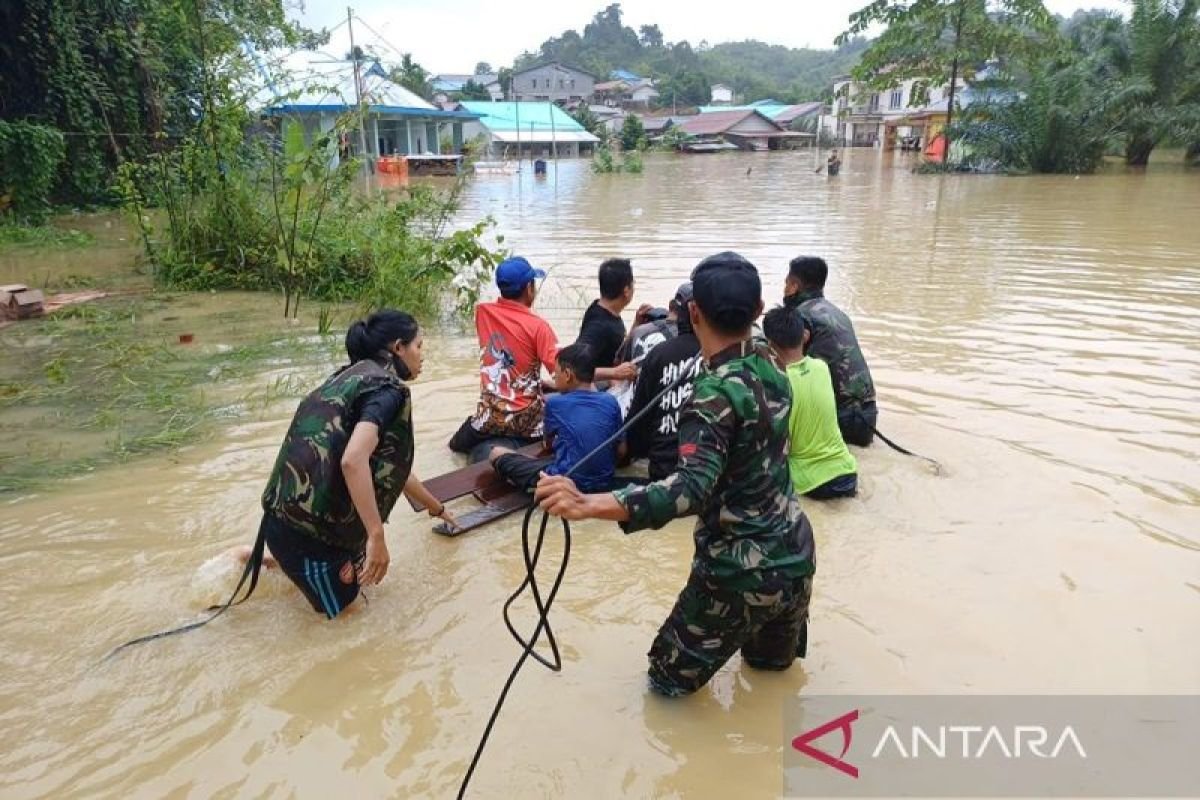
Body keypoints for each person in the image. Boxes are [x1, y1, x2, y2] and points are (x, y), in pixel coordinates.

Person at [536, 252, 816, 697]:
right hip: (796, 557)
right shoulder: (772, 359)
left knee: (665, 688)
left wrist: (589, 504)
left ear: (692, 312)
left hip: (738, 573)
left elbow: (690, 489)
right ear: (760, 312)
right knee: (768, 683)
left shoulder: (712, 396)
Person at [259, 311, 457, 618]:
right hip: (309, 538)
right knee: (351, 625)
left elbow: (393, 471)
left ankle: (259, 562)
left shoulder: (348, 378)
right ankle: (260, 562)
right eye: (419, 346)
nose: (422, 356)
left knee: (363, 587)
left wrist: (438, 509)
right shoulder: (388, 391)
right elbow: (354, 461)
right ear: (398, 348)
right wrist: (377, 536)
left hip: (289, 522)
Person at [449, 256, 559, 463]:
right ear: (529, 288)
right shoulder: (539, 326)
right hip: (526, 420)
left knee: (454, 447)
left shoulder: (482, 312)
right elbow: (563, 372)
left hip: (489, 416)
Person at [489, 343, 623, 492]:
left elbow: (549, 444)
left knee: (496, 452)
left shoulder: (555, 403)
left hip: (564, 484)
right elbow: (622, 450)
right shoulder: (610, 400)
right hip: (605, 481)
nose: (554, 378)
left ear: (567, 375)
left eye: (556, 374)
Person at [762, 306, 858, 500]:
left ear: (770, 345)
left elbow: (777, 447)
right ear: (804, 336)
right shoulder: (821, 367)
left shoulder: (777, 384)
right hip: (848, 473)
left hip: (812, 483)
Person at [783, 256, 877, 446]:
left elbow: (790, 372)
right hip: (869, 415)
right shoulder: (838, 313)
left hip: (843, 420)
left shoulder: (801, 317)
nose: (784, 289)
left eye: (785, 283)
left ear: (793, 286)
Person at [623, 282, 702, 481]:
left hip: (663, 469)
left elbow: (638, 419)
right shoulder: (721, 355)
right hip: (707, 473)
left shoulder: (659, 354)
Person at [576, 258, 641, 384]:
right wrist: (615, 373)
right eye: (633, 283)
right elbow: (576, 368)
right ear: (626, 291)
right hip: (594, 389)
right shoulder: (598, 326)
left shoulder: (601, 308)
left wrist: (636, 324)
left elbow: (617, 349)